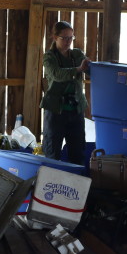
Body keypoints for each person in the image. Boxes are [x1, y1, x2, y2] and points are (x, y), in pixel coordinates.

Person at [41, 21, 90, 164]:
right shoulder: (49, 57)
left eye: (71, 38)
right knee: (52, 153)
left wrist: (99, 67)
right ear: (55, 37)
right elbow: (56, 74)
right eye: (64, 38)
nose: (68, 41)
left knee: (78, 153)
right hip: (56, 112)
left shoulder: (77, 54)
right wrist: (78, 70)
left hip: (76, 111)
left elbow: (88, 68)